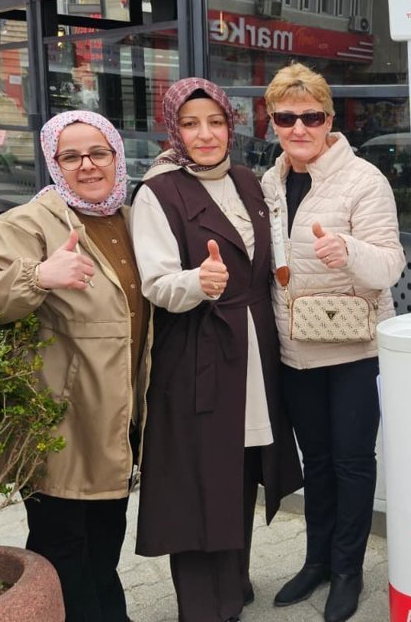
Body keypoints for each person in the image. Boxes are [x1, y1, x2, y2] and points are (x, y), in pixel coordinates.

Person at [130, 77, 302, 622]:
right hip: (197, 351)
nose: (205, 135)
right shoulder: (159, 193)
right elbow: (156, 282)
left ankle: (234, 582)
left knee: (241, 466)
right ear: (174, 130)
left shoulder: (247, 181)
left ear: (231, 126)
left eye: (215, 122)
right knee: (199, 476)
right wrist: (196, 282)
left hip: (253, 349)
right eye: (190, 124)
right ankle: (204, 605)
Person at [0, 110, 149, 622]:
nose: (87, 165)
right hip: (63, 423)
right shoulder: (26, 224)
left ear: (116, 156)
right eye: (70, 156)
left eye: (98, 153)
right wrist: (39, 275)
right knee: (63, 546)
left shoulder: (133, 219)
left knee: (106, 539)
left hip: (118, 419)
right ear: (53, 163)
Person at [259, 63, 405, 622]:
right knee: (315, 461)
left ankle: (347, 569)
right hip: (294, 348)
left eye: (311, 116)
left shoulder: (364, 180)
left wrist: (348, 250)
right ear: (272, 121)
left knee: (351, 462)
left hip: (353, 351)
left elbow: (390, 264)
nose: (299, 128)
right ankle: (316, 560)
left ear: (329, 118)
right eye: (286, 117)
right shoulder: (270, 183)